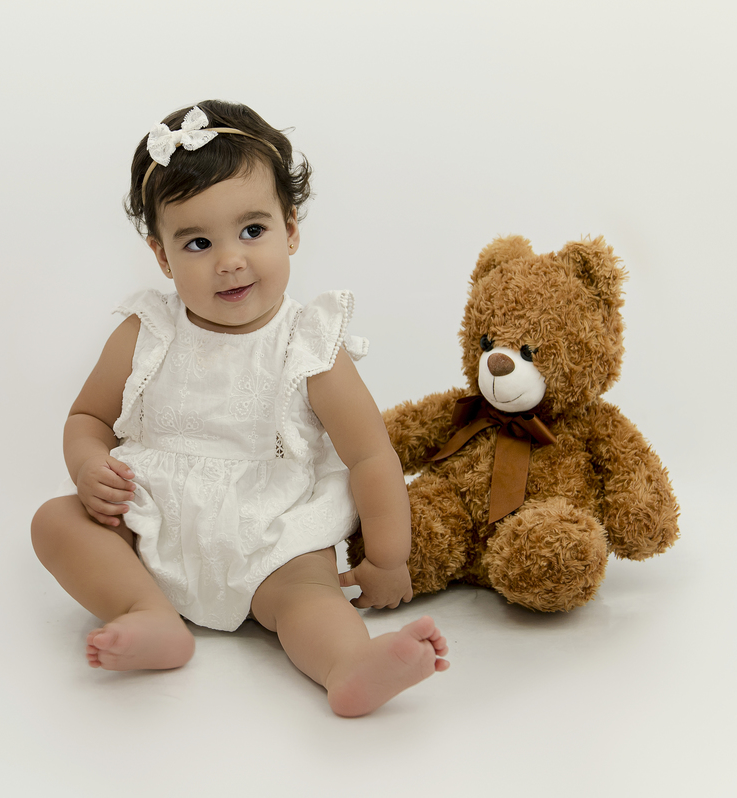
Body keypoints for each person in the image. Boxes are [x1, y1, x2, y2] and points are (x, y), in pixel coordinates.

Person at [31, 101, 448, 717]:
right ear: (162, 256)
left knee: (307, 594)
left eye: (253, 231)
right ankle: (146, 611)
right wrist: (88, 464)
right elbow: (87, 418)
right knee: (55, 522)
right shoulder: (146, 331)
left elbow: (370, 456)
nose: (229, 260)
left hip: (270, 532)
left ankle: (348, 665)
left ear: (291, 229)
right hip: (151, 521)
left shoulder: (310, 345)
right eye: (198, 242)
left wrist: (388, 559)